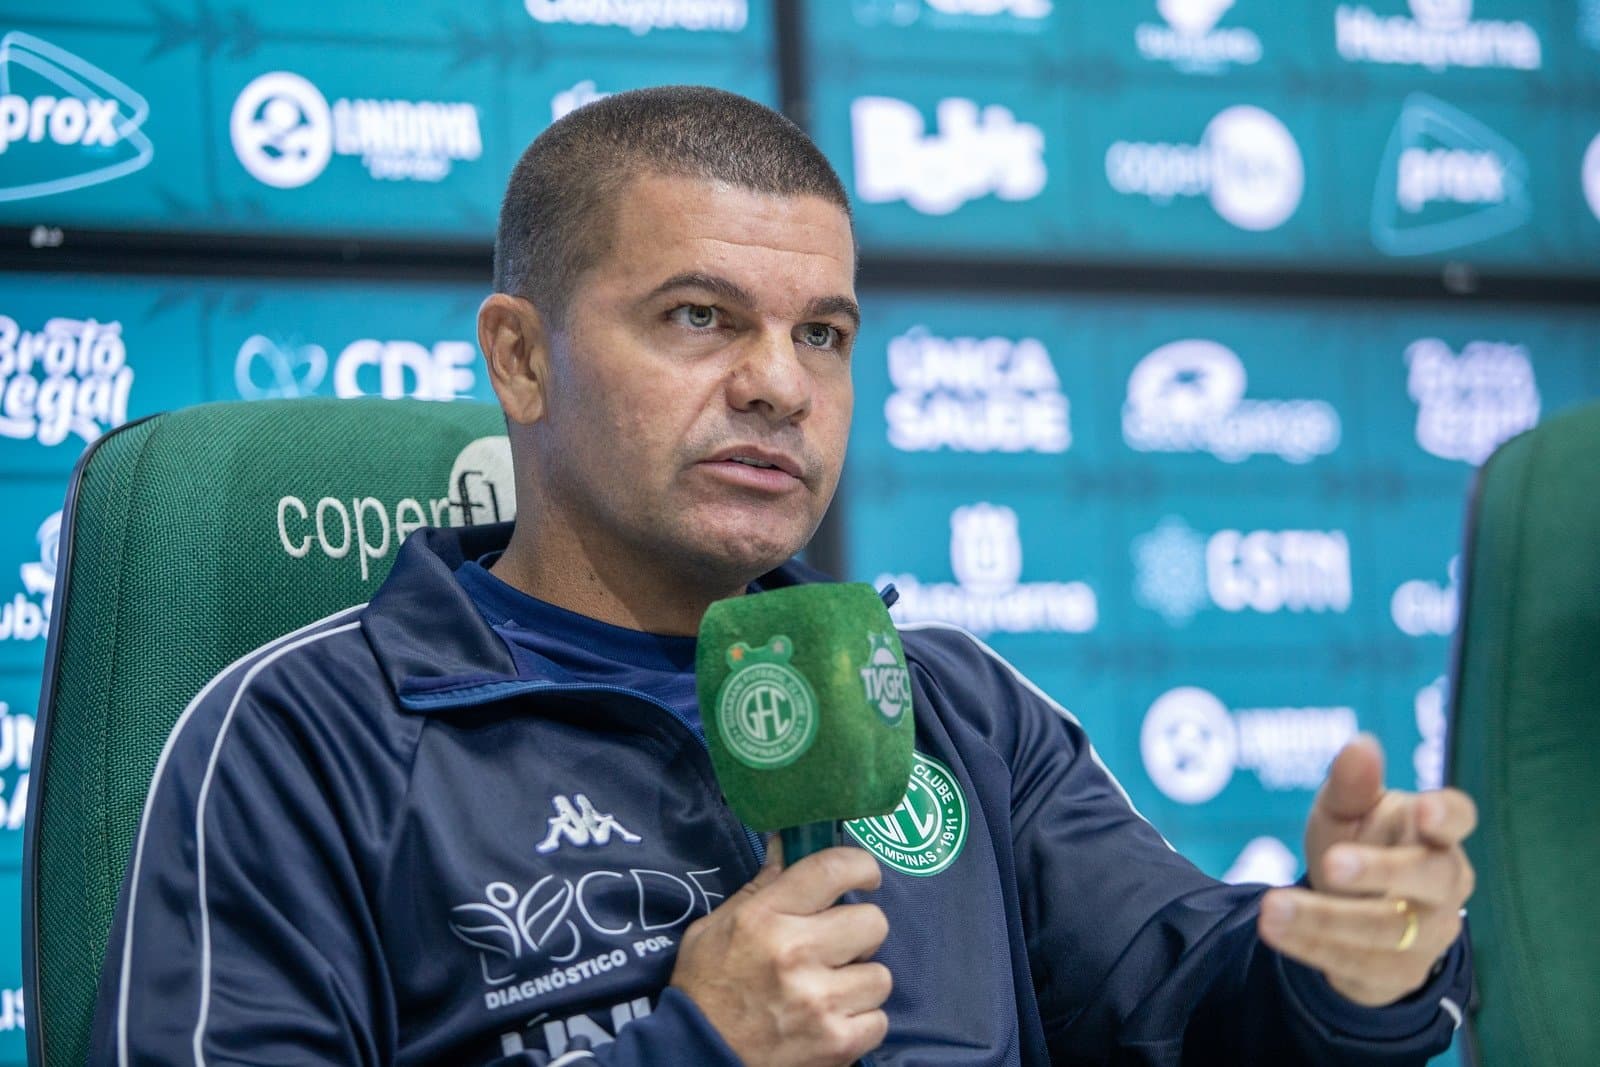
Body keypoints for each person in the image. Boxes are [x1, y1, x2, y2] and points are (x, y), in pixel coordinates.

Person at [92, 86, 1475, 1066]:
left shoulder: (950, 705)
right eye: (700, 318)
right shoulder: (298, 738)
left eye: (823, 335)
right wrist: (695, 1052)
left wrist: (1346, 966)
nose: (775, 385)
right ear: (520, 358)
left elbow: (1196, 1008)